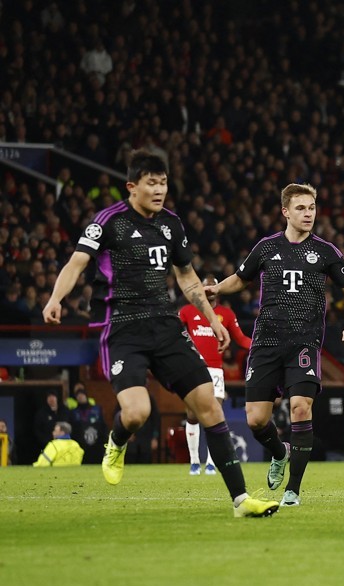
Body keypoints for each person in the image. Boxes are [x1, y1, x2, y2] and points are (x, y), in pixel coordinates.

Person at [41, 149, 277, 517]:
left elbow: (186, 276)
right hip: (121, 327)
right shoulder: (108, 222)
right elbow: (77, 262)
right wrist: (56, 298)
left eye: (163, 182)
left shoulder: (171, 224)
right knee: (137, 413)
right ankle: (116, 442)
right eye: (151, 183)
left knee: (209, 406)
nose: (159, 189)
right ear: (132, 187)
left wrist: (213, 319)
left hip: (164, 325)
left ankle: (241, 501)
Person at [206, 183, 344, 507]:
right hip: (266, 342)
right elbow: (241, 277)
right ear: (285, 211)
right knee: (256, 419)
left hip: (304, 342)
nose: (308, 214)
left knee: (300, 407)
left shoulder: (326, 251)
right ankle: (280, 452)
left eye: (312, 208)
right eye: (301, 208)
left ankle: (293, 490)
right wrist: (217, 289)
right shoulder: (266, 248)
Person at [180, 276, 253, 475]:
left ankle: (212, 462)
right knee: (192, 415)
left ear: (217, 290)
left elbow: (240, 338)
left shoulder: (226, 314)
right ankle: (195, 461)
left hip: (215, 370)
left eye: (212, 288)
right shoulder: (187, 311)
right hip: (194, 368)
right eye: (205, 287)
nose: (209, 291)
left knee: (216, 414)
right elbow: (175, 333)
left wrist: (259, 346)